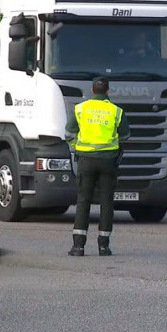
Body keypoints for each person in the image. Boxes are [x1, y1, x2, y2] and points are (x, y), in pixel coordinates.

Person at [66, 77, 129, 257]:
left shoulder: (81, 109)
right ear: (107, 91)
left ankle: (78, 246)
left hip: (86, 160)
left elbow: (69, 133)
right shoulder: (116, 111)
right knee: (107, 202)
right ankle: (104, 246)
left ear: (92, 91)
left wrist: (79, 145)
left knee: (83, 200)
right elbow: (125, 135)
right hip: (108, 161)